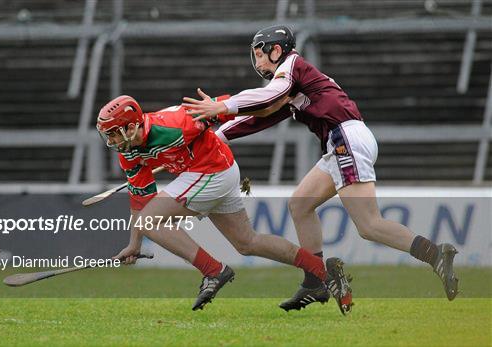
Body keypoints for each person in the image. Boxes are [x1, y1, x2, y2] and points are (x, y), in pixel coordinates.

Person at [182, 25, 459, 312]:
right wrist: (217, 136)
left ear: (276, 50)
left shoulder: (290, 67)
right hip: (342, 140)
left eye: (259, 54)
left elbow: (266, 98)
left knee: (369, 225)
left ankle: (435, 254)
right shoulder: (290, 81)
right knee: (300, 204)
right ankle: (315, 282)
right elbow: (262, 115)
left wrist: (223, 106)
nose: (258, 62)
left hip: (344, 139)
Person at [98, 94, 347, 311]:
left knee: (151, 220)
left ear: (130, 127)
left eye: (112, 133)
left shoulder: (176, 123)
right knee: (247, 242)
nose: (110, 141)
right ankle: (324, 272)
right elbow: (141, 200)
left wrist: (277, 104)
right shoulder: (128, 153)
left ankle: (213, 271)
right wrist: (134, 244)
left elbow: (227, 108)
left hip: (212, 171)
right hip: (211, 174)